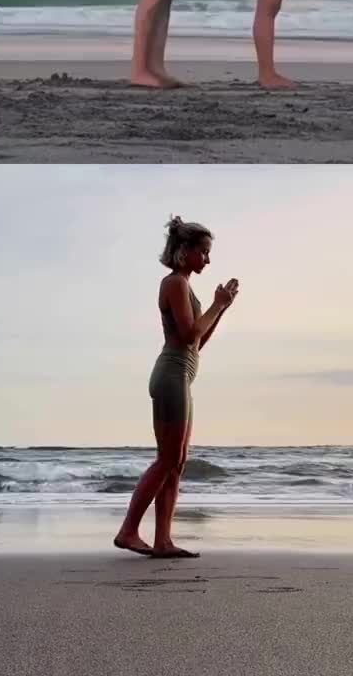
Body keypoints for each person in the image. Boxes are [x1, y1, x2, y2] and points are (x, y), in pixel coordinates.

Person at [114, 216, 239, 559]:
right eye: (204, 252)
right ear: (185, 251)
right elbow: (186, 336)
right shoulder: (174, 284)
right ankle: (128, 531)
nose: (208, 260)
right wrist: (216, 305)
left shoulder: (185, 286)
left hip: (181, 376)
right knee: (168, 457)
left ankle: (163, 541)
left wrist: (221, 308)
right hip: (170, 376)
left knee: (177, 461)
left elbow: (196, 342)